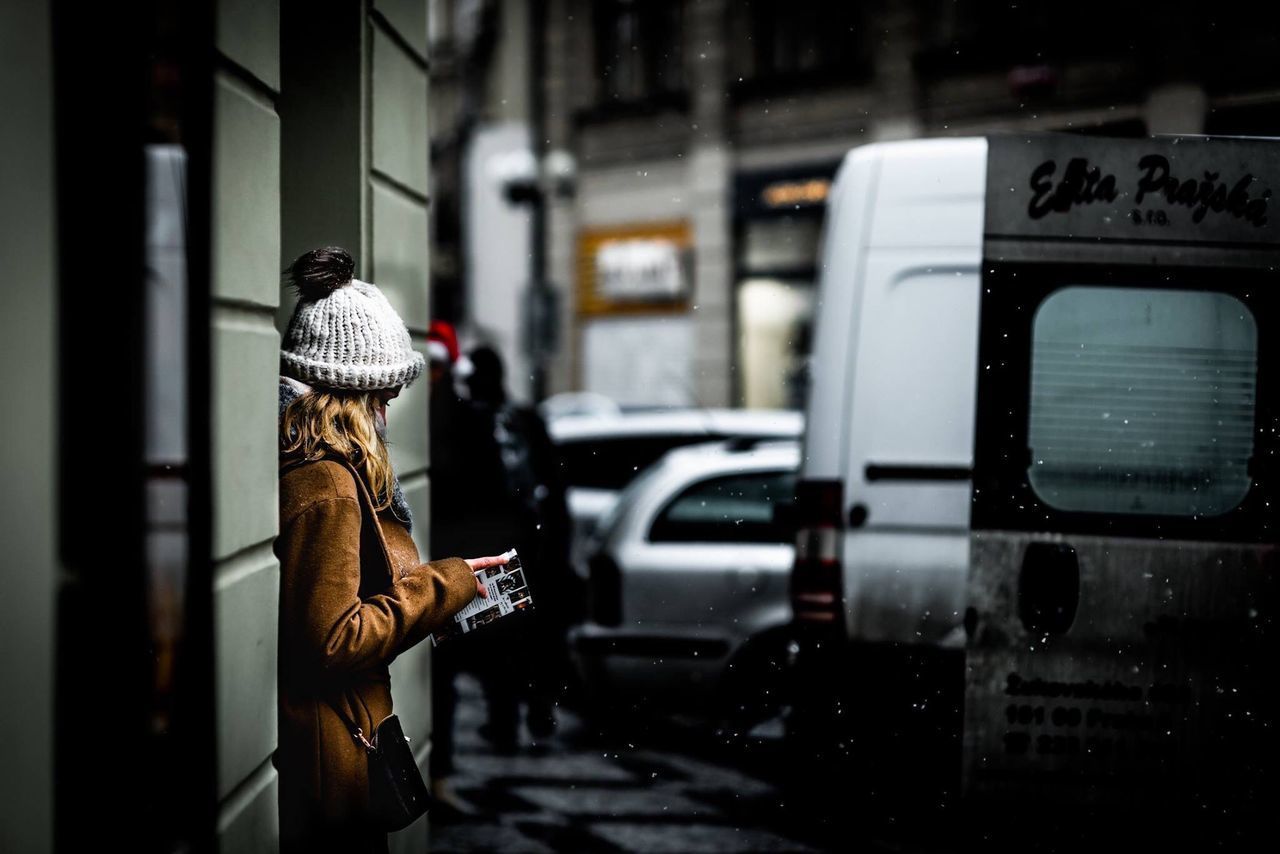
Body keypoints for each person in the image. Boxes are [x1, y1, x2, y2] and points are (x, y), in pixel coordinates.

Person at [273, 247, 507, 853]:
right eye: (380, 397)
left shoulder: (330, 468)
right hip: (335, 754)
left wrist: (445, 591)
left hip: (344, 739)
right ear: (350, 396)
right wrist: (442, 587)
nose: (386, 413)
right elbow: (335, 639)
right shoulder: (327, 481)